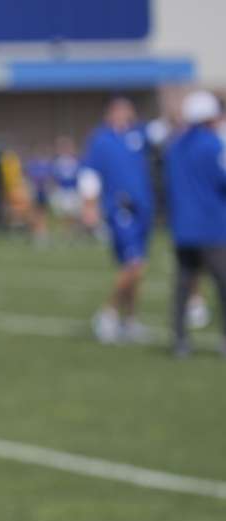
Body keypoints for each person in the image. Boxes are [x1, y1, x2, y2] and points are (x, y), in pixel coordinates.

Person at [79, 97, 156, 344]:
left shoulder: (138, 136)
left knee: (137, 268)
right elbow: (90, 173)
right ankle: (108, 313)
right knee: (134, 264)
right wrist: (89, 206)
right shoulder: (102, 140)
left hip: (142, 208)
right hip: (120, 208)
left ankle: (130, 321)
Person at [163, 90, 226, 358]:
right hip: (213, 226)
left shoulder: (174, 146)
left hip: (183, 227)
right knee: (222, 283)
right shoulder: (214, 145)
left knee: (183, 285)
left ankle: (180, 340)